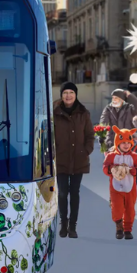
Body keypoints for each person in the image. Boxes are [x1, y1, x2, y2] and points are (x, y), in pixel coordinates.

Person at [52, 82, 93, 238]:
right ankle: (63, 223)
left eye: (71, 92)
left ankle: (73, 226)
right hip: (60, 158)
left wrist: (86, 151)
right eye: (65, 92)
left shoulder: (83, 113)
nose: (68, 95)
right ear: (61, 95)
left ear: (75, 95)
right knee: (62, 193)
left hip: (78, 159)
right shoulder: (54, 112)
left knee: (75, 193)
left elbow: (90, 135)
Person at [102, 126, 137, 240]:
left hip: (130, 187)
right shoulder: (111, 156)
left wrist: (135, 171)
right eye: (123, 143)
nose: (126, 145)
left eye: (128, 142)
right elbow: (105, 167)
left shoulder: (134, 156)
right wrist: (111, 169)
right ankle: (119, 226)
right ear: (117, 143)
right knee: (117, 208)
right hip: (115, 187)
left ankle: (128, 229)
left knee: (130, 209)